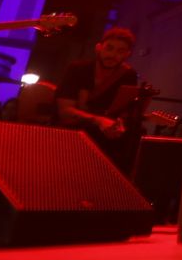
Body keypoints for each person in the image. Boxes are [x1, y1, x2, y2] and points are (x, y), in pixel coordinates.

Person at [55, 27, 144, 174]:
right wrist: (99, 120)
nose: (113, 55)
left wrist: (119, 124)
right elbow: (65, 112)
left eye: (120, 51)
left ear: (128, 54)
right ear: (99, 48)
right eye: (109, 48)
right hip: (68, 136)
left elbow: (123, 111)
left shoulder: (128, 75)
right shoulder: (77, 69)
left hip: (104, 141)